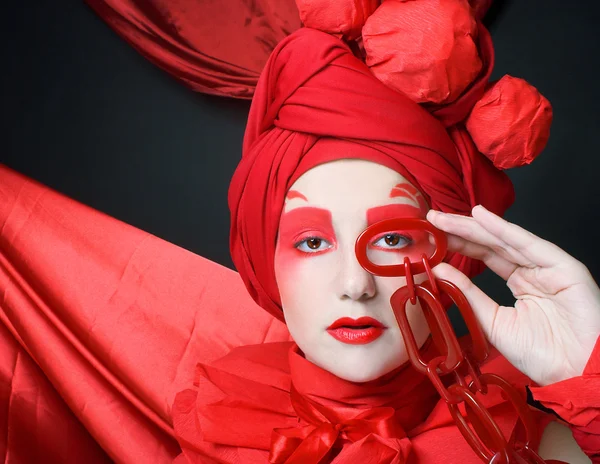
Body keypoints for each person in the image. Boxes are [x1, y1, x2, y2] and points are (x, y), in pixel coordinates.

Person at [1, 4, 599, 464]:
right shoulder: (222, 428)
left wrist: (589, 371)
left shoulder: (542, 440)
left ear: (452, 256)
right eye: (311, 241)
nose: (354, 285)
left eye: (392, 238)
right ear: (266, 262)